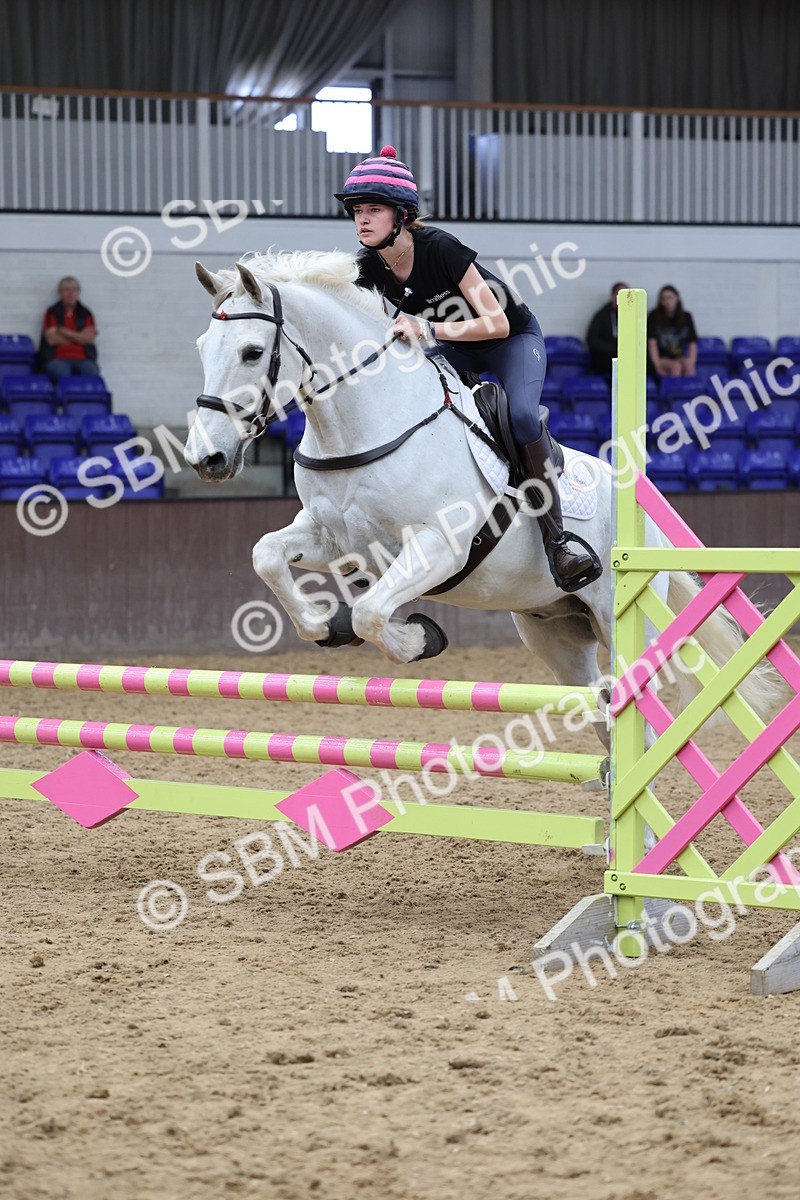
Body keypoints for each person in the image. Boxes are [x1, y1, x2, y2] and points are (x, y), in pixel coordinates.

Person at [335, 145, 601, 593]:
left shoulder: (440, 247)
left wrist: (428, 328)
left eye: (373, 210)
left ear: (401, 215)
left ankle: (559, 539)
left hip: (509, 341)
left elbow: (495, 322)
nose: (362, 219)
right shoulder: (368, 267)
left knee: (519, 416)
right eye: (357, 210)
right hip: (453, 347)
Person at [40, 276, 101, 382]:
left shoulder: (86, 313)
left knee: (92, 372)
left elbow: (90, 339)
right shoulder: (52, 312)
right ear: (60, 292)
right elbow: (51, 340)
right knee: (62, 373)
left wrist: (64, 332)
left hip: (84, 358)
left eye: (75, 290)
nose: (71, 293)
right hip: (57, 358)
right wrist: (80, 336)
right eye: (67, 290)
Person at [647, 285, 697, 377]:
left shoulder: (686, 316)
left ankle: (689, 391)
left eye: (670, 298)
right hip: (662, 357)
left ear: (677, 298)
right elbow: (652, 343)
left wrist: (691, 361)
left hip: (678, 356)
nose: (667, 302)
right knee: (675, 367)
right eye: (664, 299)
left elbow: (692, 343)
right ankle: (674, 391)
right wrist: (657, 365)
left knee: (688, 365)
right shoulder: (654, 316)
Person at [586, 282, 629, 379]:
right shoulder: (602, 315)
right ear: (612, 296)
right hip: (606, 360)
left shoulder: (632, 317)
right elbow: (592, 341)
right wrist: (614, 349)